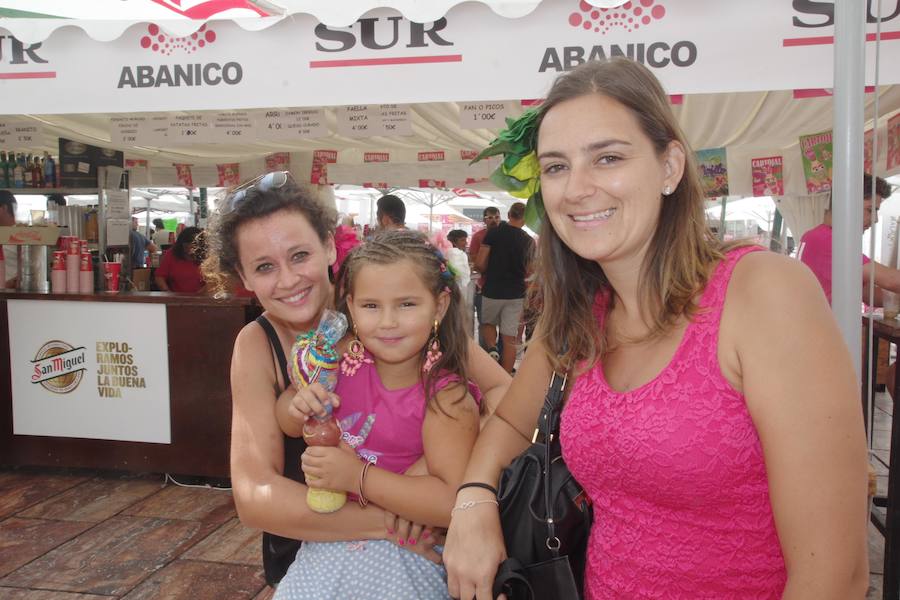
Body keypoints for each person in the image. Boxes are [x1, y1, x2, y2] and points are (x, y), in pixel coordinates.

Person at [444, 58, 868, 599]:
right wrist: (474, 500)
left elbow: (835, 577)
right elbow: (507, 421)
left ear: (670, 166)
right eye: (555, 167)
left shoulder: (763, 294)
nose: (576, 189)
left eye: (608, 158)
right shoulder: (580, 313)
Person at [200, 172, 510, 591]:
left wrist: (459, 464)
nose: (288, 280)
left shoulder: (390, 320)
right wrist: (392, 519)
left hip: (414, 553)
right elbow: (255, 497)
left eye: (299, 255)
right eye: (264, 267)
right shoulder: (258, 345)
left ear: (328, 245)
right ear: (244, 275)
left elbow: (503, 394)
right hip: (317, 548)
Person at [272, 229, 480, 599]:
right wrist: (298, 405)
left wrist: (356, 477)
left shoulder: (446, 398)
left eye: (406, 304)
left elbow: (451, 502)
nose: (387, 321)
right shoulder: (337, 361)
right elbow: (286, 419)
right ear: (350, 306)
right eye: (371, 306)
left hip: (405, 559)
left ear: (441, 305)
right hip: (330, 544)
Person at [798, 174, 897, 305]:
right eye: (870, 210)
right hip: (825, 325)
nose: (875, 219)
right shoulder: (828, 240)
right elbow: (891, 280)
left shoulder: (815, 236)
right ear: (847, 204)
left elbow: (870, 295)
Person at [473, 202, 534, 373]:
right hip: (516, 293)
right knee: (510, 339)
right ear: (526, 218)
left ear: (509, 215)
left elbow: (479, 263)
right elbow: (531, 271)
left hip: (492, 290)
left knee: (487, 323)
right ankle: (506, 377)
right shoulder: (528, 241)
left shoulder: (493, 233)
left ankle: (492, 347)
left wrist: (481, 270)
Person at [468, 207, 501, 344]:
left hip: (505, 286)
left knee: (506, 327)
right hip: (484, 286)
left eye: (496, 217)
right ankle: (486, 353)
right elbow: (474, 258)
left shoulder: (507, 235)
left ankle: (500, 355)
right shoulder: (478, 236)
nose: (494, 220)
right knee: (486, 323)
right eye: (490, 217)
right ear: (484, 220)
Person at [154, 226, 205, 293]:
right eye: (186, 245)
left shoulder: (207, 256)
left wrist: (199, 295)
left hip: (202, 299)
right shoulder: (172, 254)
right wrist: (167, 292)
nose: (189, 248)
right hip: (176, 299)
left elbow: (214, 281)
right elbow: (159, 276)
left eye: (194, 245)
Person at [0, 191, 17, 288]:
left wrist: (6, 285)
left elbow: (33, 270)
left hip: (12, 297)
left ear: (4, 208)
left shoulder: (23, 236)